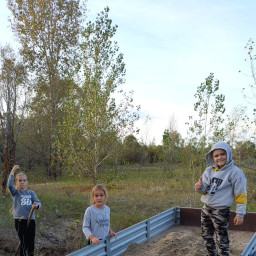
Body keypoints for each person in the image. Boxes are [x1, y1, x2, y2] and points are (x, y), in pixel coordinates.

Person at [195, 141, 247, 256]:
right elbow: (204, 190)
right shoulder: (209, 170)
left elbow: (241, 194)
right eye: (216, 155)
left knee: (221, 238)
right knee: (206, 235)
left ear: (228, 154)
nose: (219, 157)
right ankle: (212, 254)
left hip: (221, 211)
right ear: (212, 158)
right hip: (206, 208)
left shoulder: (235, 173)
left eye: (222, 154)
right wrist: (199, 187)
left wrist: (240, 214)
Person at [8, 165, 42, 256]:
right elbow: (9, 185)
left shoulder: (31, 193)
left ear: (27, 182)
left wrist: (36, 205)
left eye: (24, 180)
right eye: (20, 181)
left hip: (31, 220)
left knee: (30, 242)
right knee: (23, 242)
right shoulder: (16, 193)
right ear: (16, 182)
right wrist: (12, 171)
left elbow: (39, 203)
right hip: (20, 221)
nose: (22, 182)